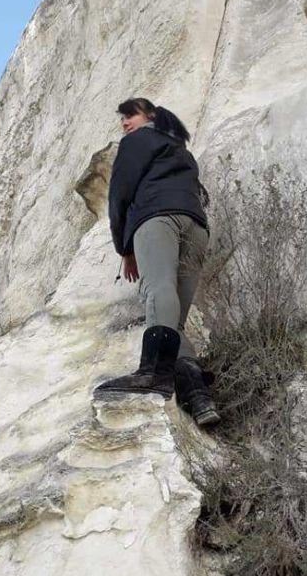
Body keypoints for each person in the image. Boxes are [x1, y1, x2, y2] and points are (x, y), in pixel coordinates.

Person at [92, 97, 221, 427]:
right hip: (196, 227)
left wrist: (124, 246)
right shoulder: (181, 150)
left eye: (129, 115)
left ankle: (153, 376)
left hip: (157, 219)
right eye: (122, 119)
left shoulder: (137, 141)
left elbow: (119, 193)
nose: (124, 123)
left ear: (149, 115)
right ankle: (197, 395)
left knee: (158, 291)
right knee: (173, 315)